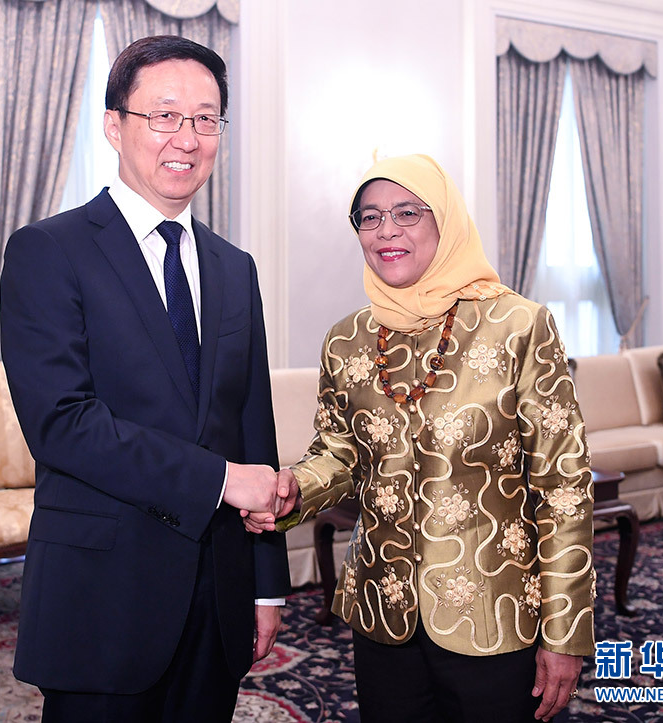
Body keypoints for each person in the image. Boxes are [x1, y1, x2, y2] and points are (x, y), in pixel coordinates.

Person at [0, 35, 292, 722]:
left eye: (206, 118)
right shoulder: (48, 250)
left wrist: (266, 585)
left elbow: (253, 426)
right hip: (102, 595)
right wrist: (220, 480)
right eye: (164, 115)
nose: (187, 138)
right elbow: (62, 425)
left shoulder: (235, 267)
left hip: (218, 595)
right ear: (114, 125)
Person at [249, 154, 595, 722]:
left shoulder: (518, 326)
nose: (386, 230)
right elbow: (339, 453)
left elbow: (562, 487)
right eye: (370, 217)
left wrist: (565, 630)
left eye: (407, 213)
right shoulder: (346, 339)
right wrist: (293, 491)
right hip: (382, 609)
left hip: (494, 613)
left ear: (446, 221)